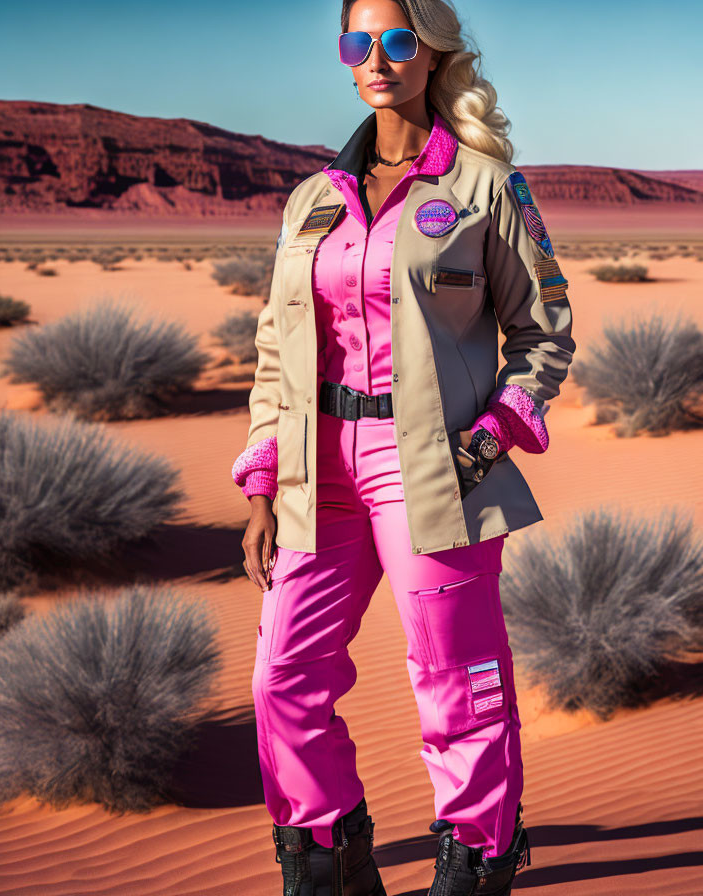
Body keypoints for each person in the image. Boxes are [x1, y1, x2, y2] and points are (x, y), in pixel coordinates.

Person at [232, 1, 575, 893]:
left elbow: (544, 333)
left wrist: (494, 433)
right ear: (346, 58)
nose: (376, 58)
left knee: (457, 686)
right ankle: (325, 854)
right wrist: (265, 477)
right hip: (317, 465)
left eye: (396, 40)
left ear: (432, 52)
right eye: (359, 41)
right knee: (282, 680)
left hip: (433, 466)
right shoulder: (312, 198)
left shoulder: (485, 185)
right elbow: (276, 345)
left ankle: (478, 860)